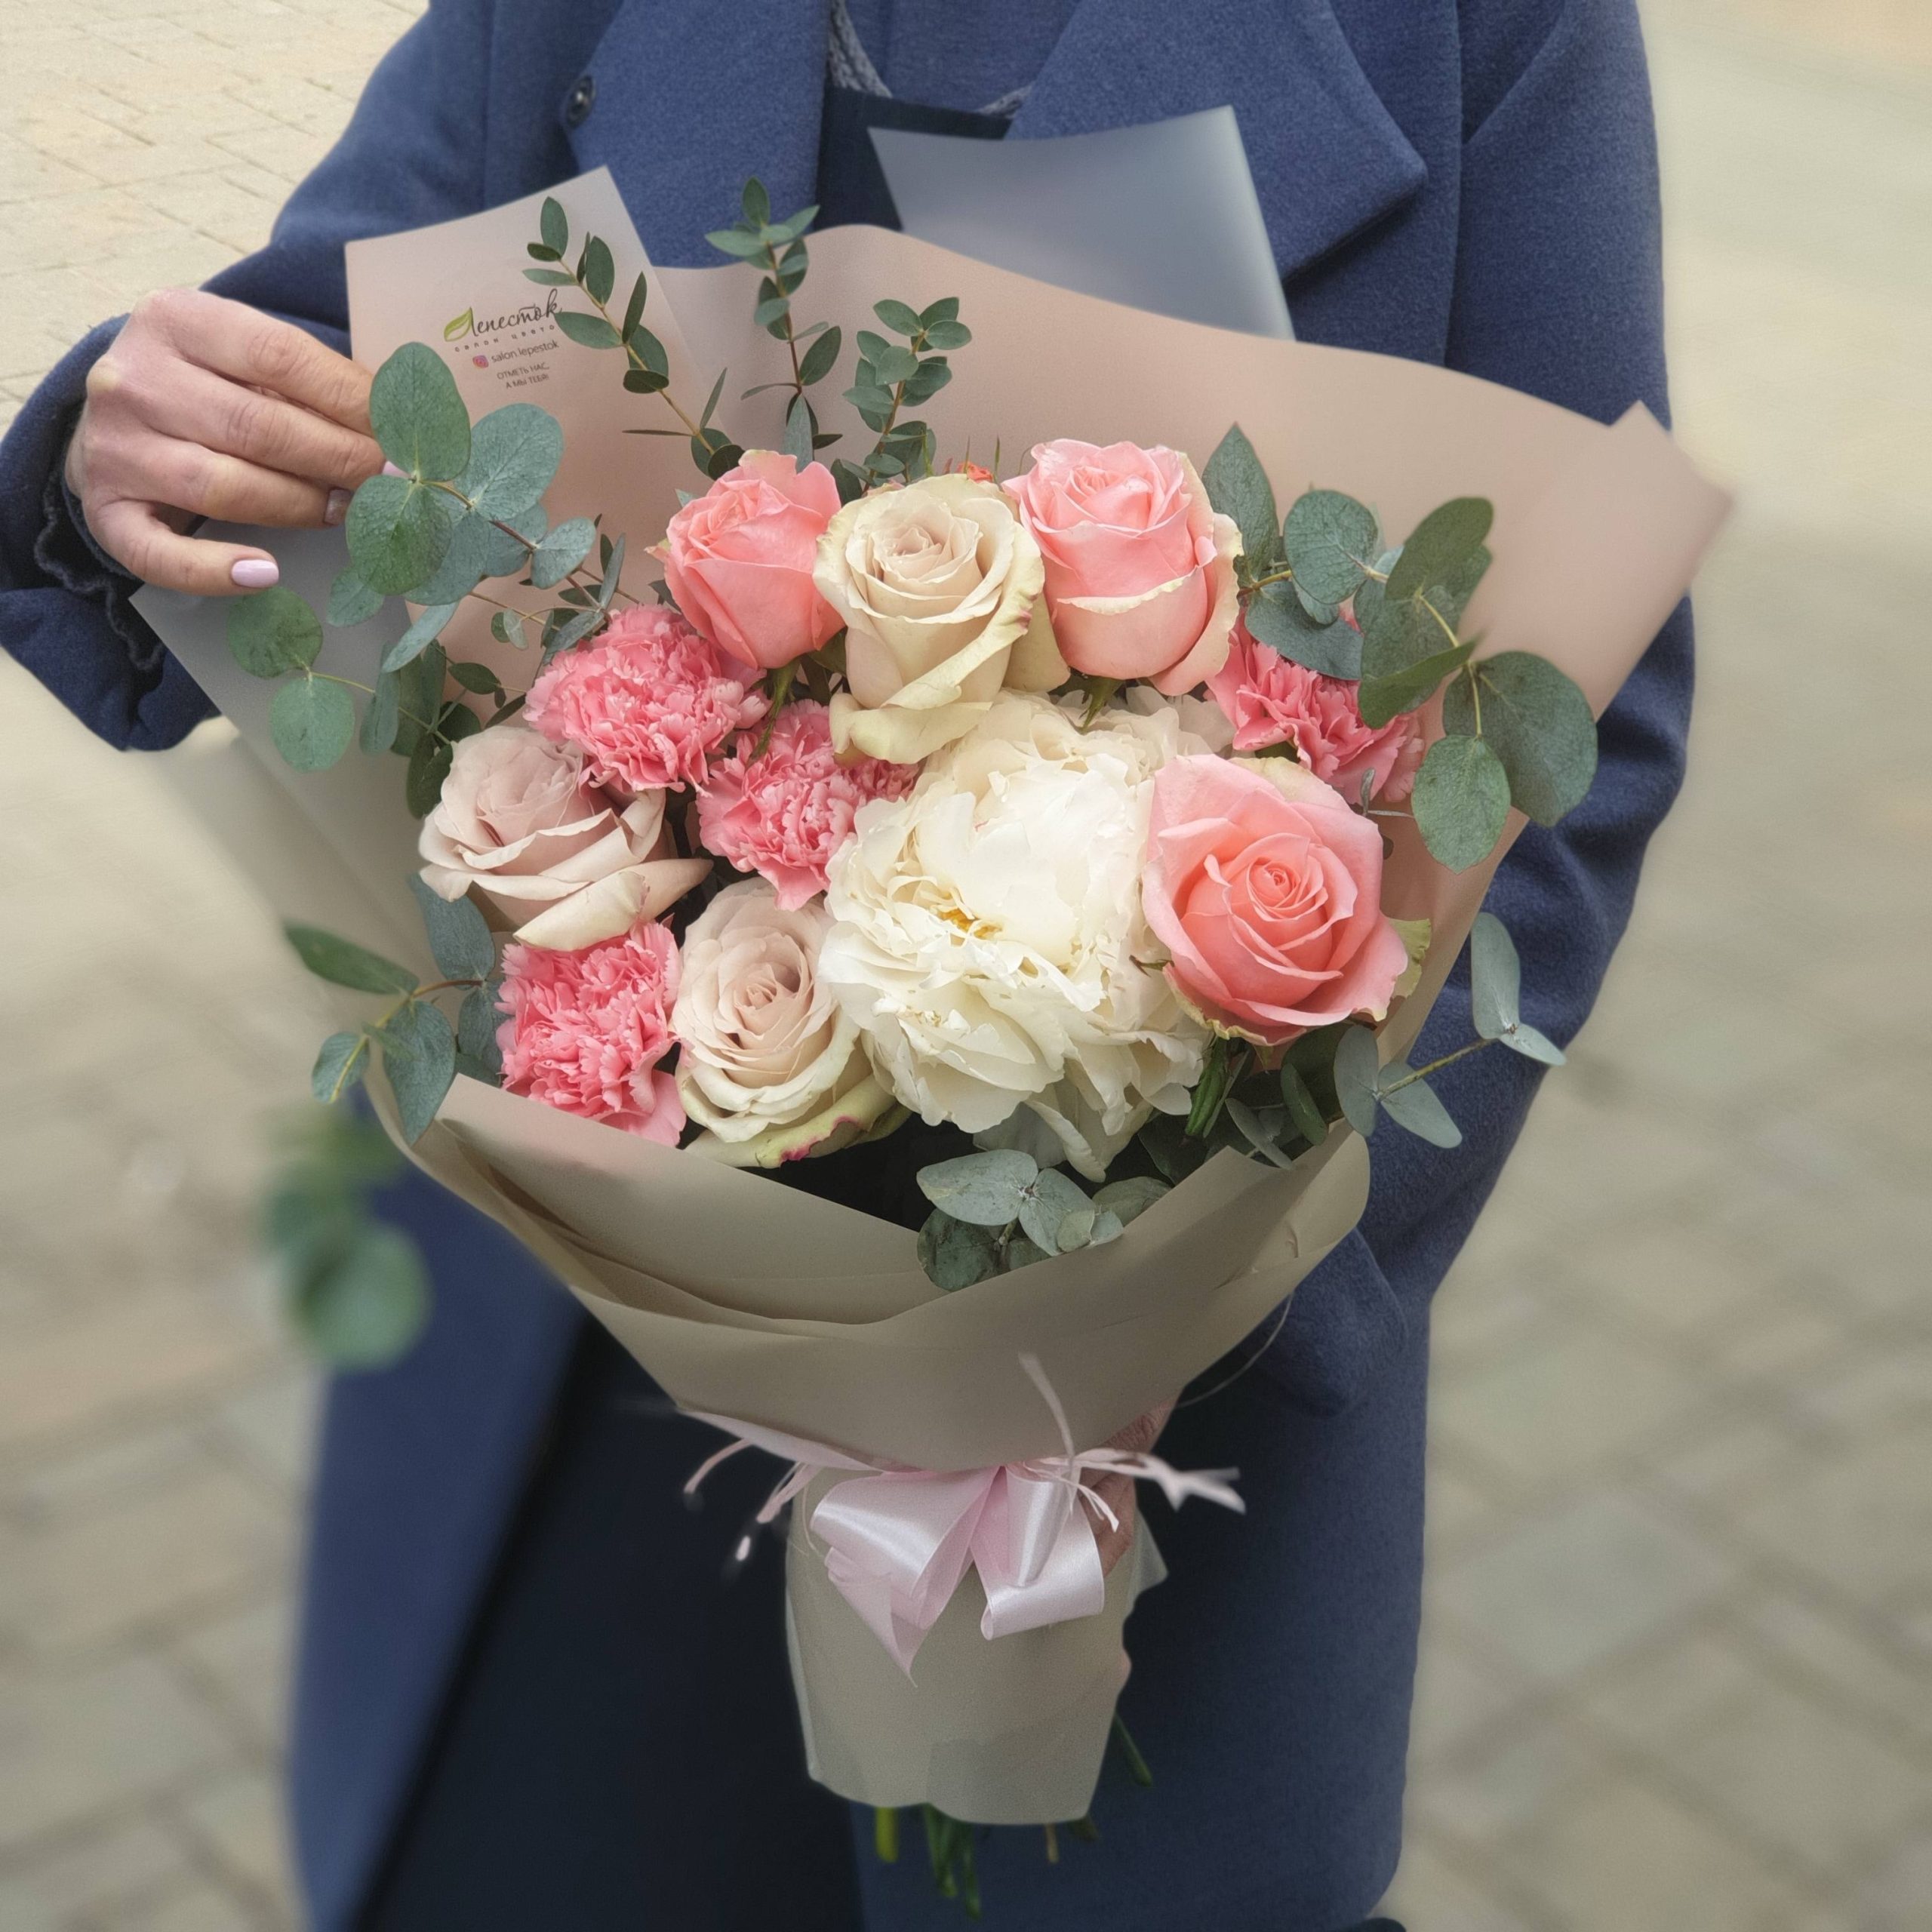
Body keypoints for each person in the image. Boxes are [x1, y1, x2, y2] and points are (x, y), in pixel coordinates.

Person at [0, 2, 1690, 1927]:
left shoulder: (1477, 27)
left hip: (1133, 1467)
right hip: (589, 1384)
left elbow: (1575, 730)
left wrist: (1229, 1285)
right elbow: (325, 379)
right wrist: (140, 446)